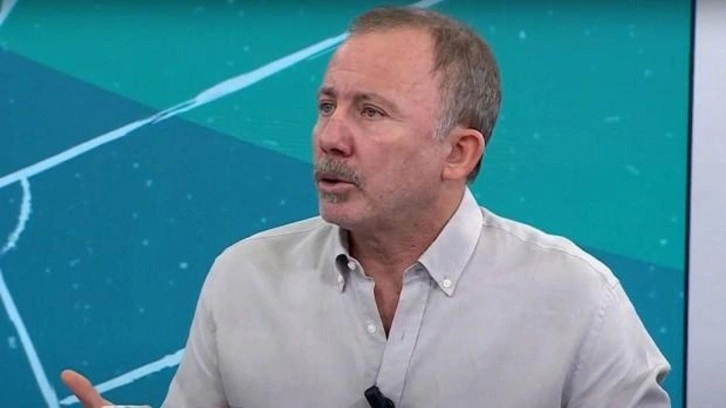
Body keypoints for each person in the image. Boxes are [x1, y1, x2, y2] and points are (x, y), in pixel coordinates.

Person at [61, 6, 671, 407]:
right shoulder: (244, 278)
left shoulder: (577, 301)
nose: (330, 136)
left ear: (457, 153)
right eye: (327, 105)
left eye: (371, 112)